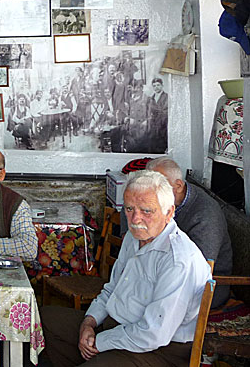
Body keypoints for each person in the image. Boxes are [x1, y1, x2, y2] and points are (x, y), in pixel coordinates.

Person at [41, 170, 211, 367]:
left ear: (169, 212)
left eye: (147, 211)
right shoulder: (134, 237)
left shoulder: (178, 260)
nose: (136, 219)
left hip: (160, 350)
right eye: (129, 209)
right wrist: (89, 322)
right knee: (44, 320)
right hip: (118, 327)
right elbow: (112, 288)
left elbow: (153, 334)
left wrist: (100, 341)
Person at [146, 156, 233, 307]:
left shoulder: (205, 213)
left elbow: (198, 268)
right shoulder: (165, 202)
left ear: (178, 186)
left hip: (204, 289)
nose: (151, 193)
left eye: (158, 187)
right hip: (168, 275)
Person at [147, 77, 168, 153]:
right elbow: (148, 112)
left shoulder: (166, 97)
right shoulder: (151, 99)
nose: (156, 87)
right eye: (154, 86)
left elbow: (165, 112)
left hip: (163, 127)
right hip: (152, 128)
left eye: (158, 85)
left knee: (161, 147)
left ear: (162, 86)